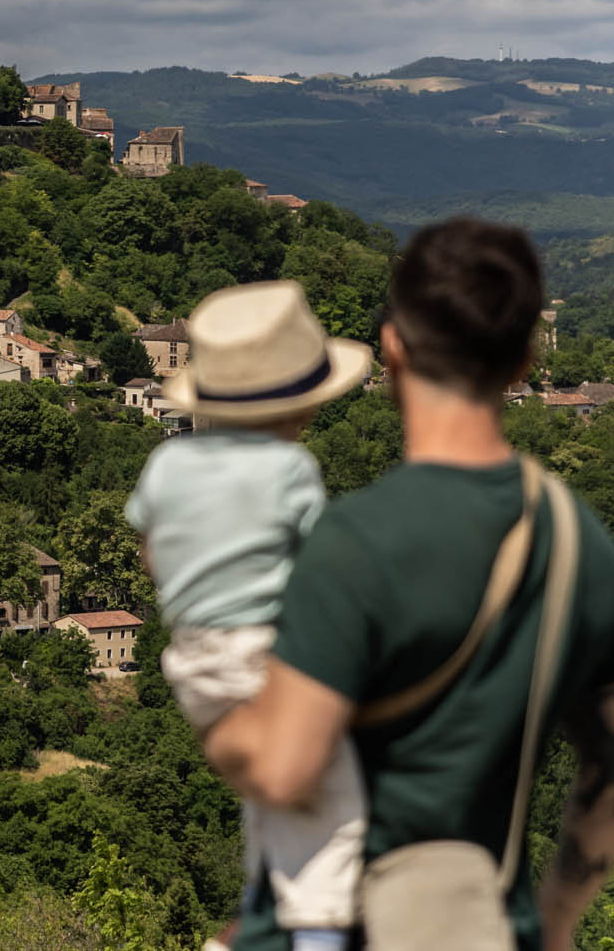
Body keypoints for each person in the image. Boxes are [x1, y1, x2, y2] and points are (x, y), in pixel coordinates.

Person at [205, 218, 614, 951]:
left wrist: (208, 704)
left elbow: (283, 770)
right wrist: (555, 923)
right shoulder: (578, 544)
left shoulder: (352, 543)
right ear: (525, 362)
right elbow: (612, 773)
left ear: (392, 347)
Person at [127, 279, 374, 950]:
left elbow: (153, 552)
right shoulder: (291, 468)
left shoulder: (166, 460)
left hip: (191, 661)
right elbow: (320, 569)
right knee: (335, 811)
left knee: (270, 803)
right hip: (268, 655)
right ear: (301, 405)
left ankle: (258, 908)